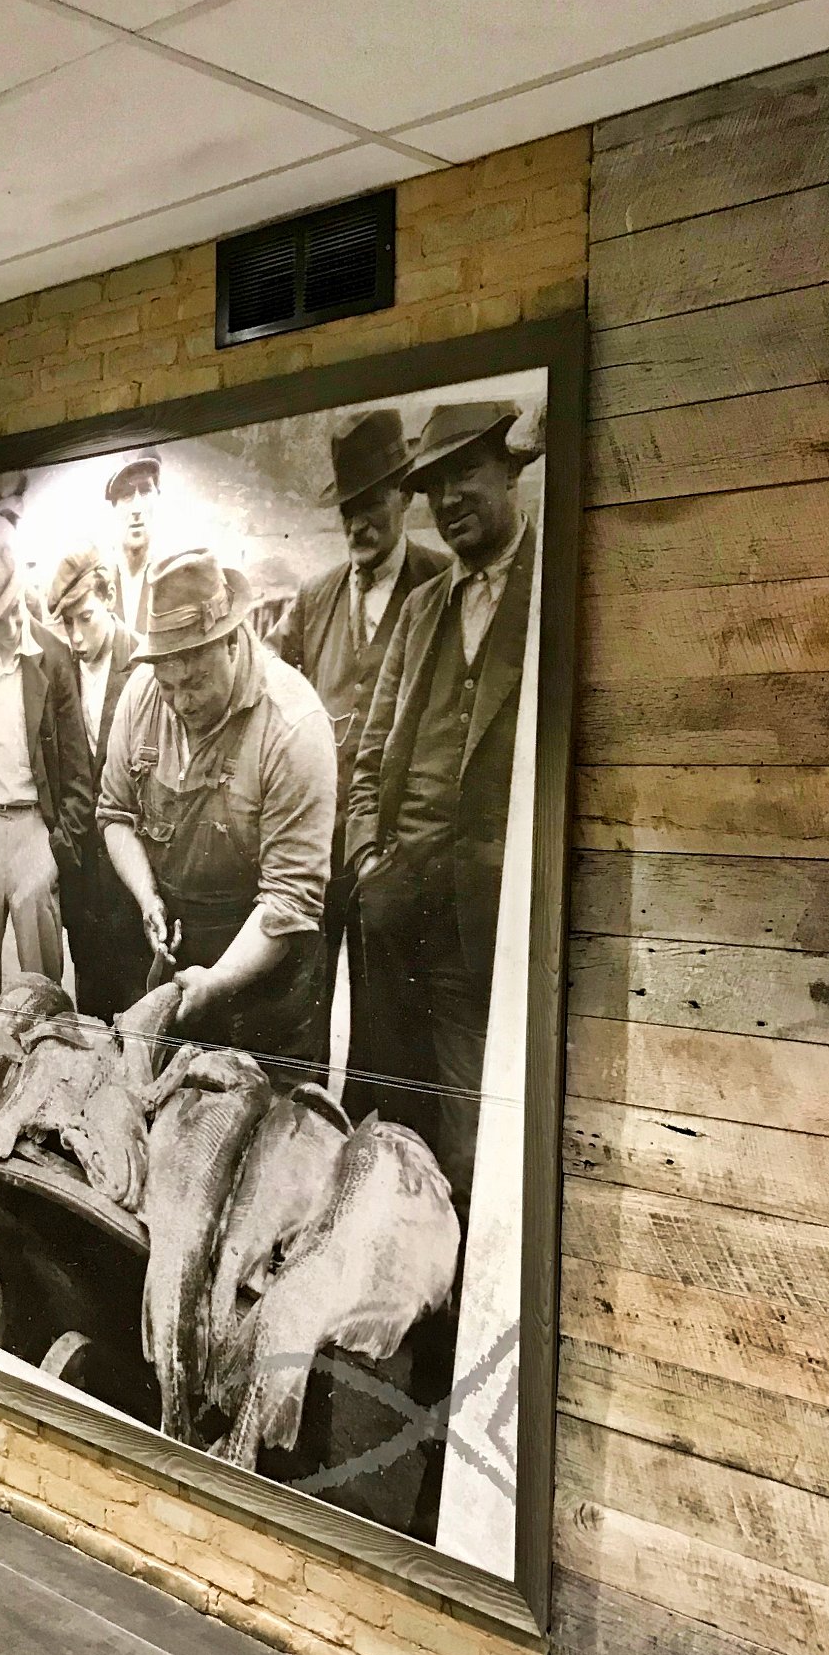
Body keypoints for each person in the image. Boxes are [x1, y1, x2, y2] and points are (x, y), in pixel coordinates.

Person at [345, 400, 541, 1210]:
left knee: (468, 1146)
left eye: (465, 473)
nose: (449, 498)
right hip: (396, 921)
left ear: (510, 469)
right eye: (432, 485)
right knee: (393, 1134)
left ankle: (461, 1291)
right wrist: (367, 860)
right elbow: (369, 753)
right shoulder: (425, 608)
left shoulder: (549, 590)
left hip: (485, 930)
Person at [98, 548, 336, 1075]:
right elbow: (115, 814)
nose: (181, 702)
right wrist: (147, 897)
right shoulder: (142, 695)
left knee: (265, 1111)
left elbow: (290, 898)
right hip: (182, 963)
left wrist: (220, 980)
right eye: (169, 686)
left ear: (232, 642)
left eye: (196, 682)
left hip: (269, 981)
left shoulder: (294, 727)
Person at [271, 407, 448, 1047]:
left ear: (404, 496)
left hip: (396, 848)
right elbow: (272, 684)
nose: (358, 524)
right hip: (317, 839)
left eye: (371, 502)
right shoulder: (314, 597)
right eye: (348, 508)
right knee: (303, 1001)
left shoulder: (440, 583)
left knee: (389, 1017)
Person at [0, 534, 94, 1006]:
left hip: (33, 826)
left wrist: (55, 851)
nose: (15, 621)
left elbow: (79, 775)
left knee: (42, 987)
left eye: (17, 605)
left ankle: (45, 1047)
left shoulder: (54, 656)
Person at [46, 548, 145, 1020]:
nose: (76, 637)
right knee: (90, 1008)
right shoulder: (59, 668)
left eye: (85, 618)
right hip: (82, 878)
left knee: (137, 1008)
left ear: (109, 598)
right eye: (67, 624)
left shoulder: (144, 663)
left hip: (132, 878)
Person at [104, 450, 162, 632]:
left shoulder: (170, 578)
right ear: (114, 507)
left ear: (157, 497)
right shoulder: (98, 581)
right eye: (126, 494)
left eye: (145, 491)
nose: (136, 508)